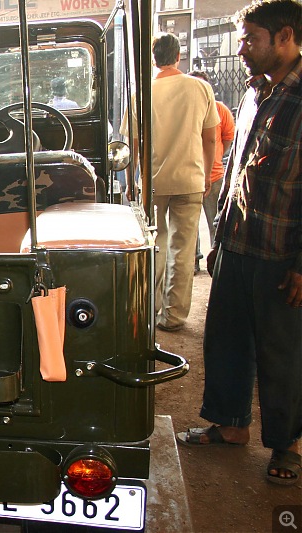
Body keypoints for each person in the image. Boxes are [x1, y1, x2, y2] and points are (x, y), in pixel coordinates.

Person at [176, 0, 302, 486]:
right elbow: (237, 170)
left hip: (279, 252)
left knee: (281, 353)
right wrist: (220, 238)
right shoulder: (254, 92)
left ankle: (287, 444)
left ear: (284, 36)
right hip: (237, 243)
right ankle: (230, 425)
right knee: (225, 339)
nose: (243, 49)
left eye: (251, 39)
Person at [122, 33, 219, 331]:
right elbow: (211, 137)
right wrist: (203, 173)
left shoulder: (142, 93)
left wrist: (131, 181)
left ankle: (151, 310)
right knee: (183, 247)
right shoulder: (200, 88)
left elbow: (132, 146)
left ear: (153, 59)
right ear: (179, 56)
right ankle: (174, 316)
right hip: (190, 179)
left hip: (154, 182)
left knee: (155, 244)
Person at [188, 70, 236, 272]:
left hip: (214, 176)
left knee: (215, 222)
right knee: (190, 226)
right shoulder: (187, 111)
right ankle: (193, 261)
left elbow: (228, 137)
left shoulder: (220, 110)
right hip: (190, 174)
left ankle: (217, 262)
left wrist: (214, 157)